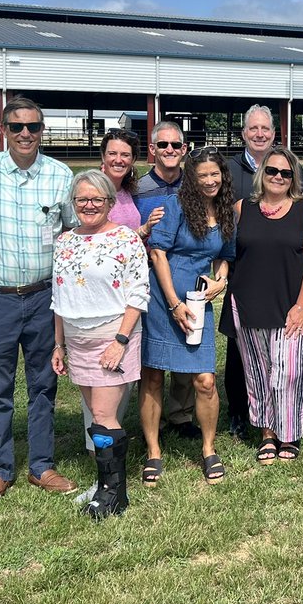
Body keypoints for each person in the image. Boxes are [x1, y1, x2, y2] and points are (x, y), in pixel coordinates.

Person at [0, 97, 76, 509]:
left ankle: (41, 465)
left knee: (43, 385)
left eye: (33, 126)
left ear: (42, 130)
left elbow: (70, 228)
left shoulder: (60, 175)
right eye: (17, 127)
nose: (25, 134)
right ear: (4, 130)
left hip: (44, 297)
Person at [51, 169, 148, 519]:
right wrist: (59, 345)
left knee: (105, 417)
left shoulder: (125, 239)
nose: (89, 205)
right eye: (82, 199)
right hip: (77, 341)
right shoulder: (65, 241)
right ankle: (103, 483)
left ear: (110, 202)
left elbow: (138, 293)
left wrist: (120, 341)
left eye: (97, 199)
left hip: (112, 337)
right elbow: (59, 296)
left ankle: (114, 493)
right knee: (95, 417)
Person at [222, 146, 303, 462]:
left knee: (289, 373)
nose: (278, 177)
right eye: (271, 170)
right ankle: (268, 432)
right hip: (248, 303)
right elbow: (225, 252)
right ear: (262, 173)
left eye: (285, 173)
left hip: (291, 304)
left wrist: (301, 306)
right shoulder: (243, 208)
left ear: (293, 178)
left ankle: (289, 434)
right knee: (258, 373)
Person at [139, 147, 236, 486]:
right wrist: (172, 304)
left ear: (222, 176)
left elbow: (225, 255)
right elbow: (158, 254)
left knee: (205, 380)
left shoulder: (225, 212)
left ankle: (209, 449)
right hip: (162, 302)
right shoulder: (176, 206)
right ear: (192, 179)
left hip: (196, 303)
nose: (209, 181)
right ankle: (153, 451)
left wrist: (220, 280)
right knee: (153, 376)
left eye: (214, 174)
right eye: (202, 175)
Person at [70, 127, 144, 505]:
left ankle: (111, 485)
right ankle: (104, 479)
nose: (118, 159)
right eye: (112, 153)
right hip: (85, 319)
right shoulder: (85, 195)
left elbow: (135, 281)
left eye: (125, 154)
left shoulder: (129, 196)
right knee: (97, 408)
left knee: (108, 405)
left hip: (120, 314)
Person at [134, 120, 199, 440]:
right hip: (149, 275)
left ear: (184, 149)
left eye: (176, 145)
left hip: (186, 273)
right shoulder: (138, 190)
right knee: (152, 352)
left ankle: (181, 413)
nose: (170, 150)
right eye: (163, 145)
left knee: (188, 342)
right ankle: (153, 418)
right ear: (152, 149)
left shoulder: (196, 186)